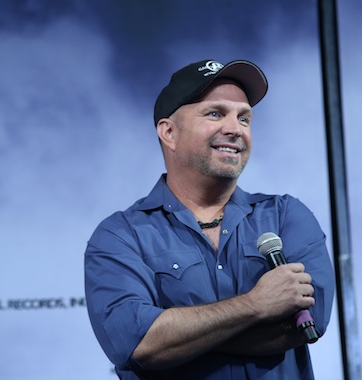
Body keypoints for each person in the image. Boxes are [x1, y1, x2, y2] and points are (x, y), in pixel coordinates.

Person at [84, 59, 335, 379]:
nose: (235, 129)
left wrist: (179, 336)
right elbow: (137, 344)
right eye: (215, 113)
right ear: (169, 132)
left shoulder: (286, 215)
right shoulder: (121, 235)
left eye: (244, 118)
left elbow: (307, 324)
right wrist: (257, 305)